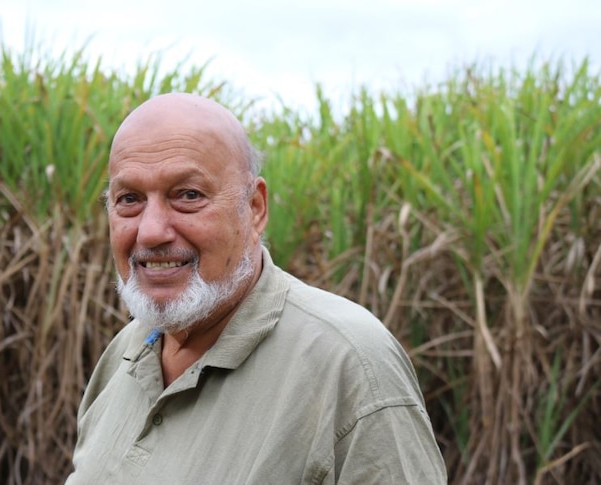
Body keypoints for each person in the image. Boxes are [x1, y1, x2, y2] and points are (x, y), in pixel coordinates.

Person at [66, 92, 447, 484]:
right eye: (129, 199)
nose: (151, 231)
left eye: (188, 195)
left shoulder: (350, 366)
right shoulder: (123, 356)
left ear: (255, 208)